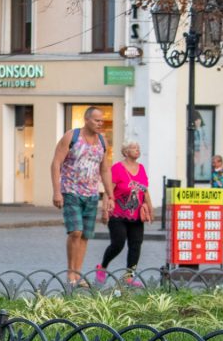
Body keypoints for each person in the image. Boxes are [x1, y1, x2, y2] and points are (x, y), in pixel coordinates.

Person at [50, 106, 113, 285]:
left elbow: (105, 169)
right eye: (97, 120)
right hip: (71, 191)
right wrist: (56, 191)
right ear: (86, 120)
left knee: (85, 235)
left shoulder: (102, 141)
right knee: (75, 232)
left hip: (92, 194)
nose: (100, 124)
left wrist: (110, 194)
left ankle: (78, 274)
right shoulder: (72, 137)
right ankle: (70, 273)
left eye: (102, 121)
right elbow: (55, 164)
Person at [95, 141, 152, 287]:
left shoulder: (141, 168)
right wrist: (104, 210)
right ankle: (102, 267)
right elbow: (109, 190)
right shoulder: (117, 168)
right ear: (126, 152)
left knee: (136, 245)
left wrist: (150, 209)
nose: (137, 150)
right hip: (118, 214)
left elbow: (145, 191)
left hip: (136, 215)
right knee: (118, 244)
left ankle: (129, 276)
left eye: (138, 148)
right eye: (134, 148)